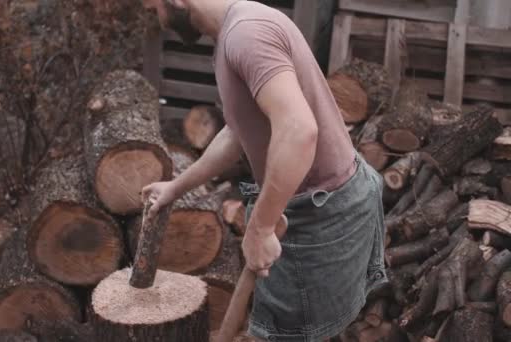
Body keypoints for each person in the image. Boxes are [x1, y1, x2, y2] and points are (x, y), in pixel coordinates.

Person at [140, 1, 388, 341]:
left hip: (322, 214)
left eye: (154, 7)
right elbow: (236, 132)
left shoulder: (247, 35)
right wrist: (176, 186)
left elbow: (300, 130)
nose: (159, 19)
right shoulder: (234, 33)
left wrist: (261, 227)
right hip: (315, 204)